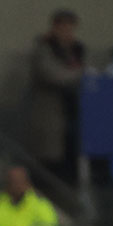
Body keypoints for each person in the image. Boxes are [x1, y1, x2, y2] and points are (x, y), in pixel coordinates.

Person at [28, 10, 85, 183]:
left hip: (72, 117)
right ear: (54, 28)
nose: (67, 33)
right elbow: (54, 75)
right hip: (50, 119)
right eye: (63, 28)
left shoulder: (76, 50)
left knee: (70, 169)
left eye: (70, 29)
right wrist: (80, 74)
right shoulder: (43, 49)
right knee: (48, 169)